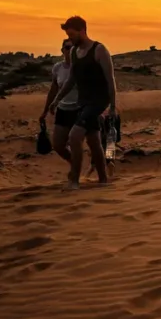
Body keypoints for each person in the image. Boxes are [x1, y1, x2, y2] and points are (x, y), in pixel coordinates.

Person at [50, 16, 115, 190]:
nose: (70, 39)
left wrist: (113, 107)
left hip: (98, 101)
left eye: (72, 35)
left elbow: (111, 80)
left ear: (82, 30)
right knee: (94, 140)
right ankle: (103, 179)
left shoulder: (99, 50)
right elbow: (71, 79)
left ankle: (74, 180)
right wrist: (57, 100)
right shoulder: (74, 52)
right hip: (83, 102)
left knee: (74, 136)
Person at [40, 38, 79, 164]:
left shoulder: (81, 67)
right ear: (62, 50)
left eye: (73, 47)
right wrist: (45, 111)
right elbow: (53, 89)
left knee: (78, 142)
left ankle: (80, 173)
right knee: (58, 145)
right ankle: (74, 164)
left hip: (80, 110)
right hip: (63, 109)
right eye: (67, 48)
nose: (70, 50)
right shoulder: (58, 68)